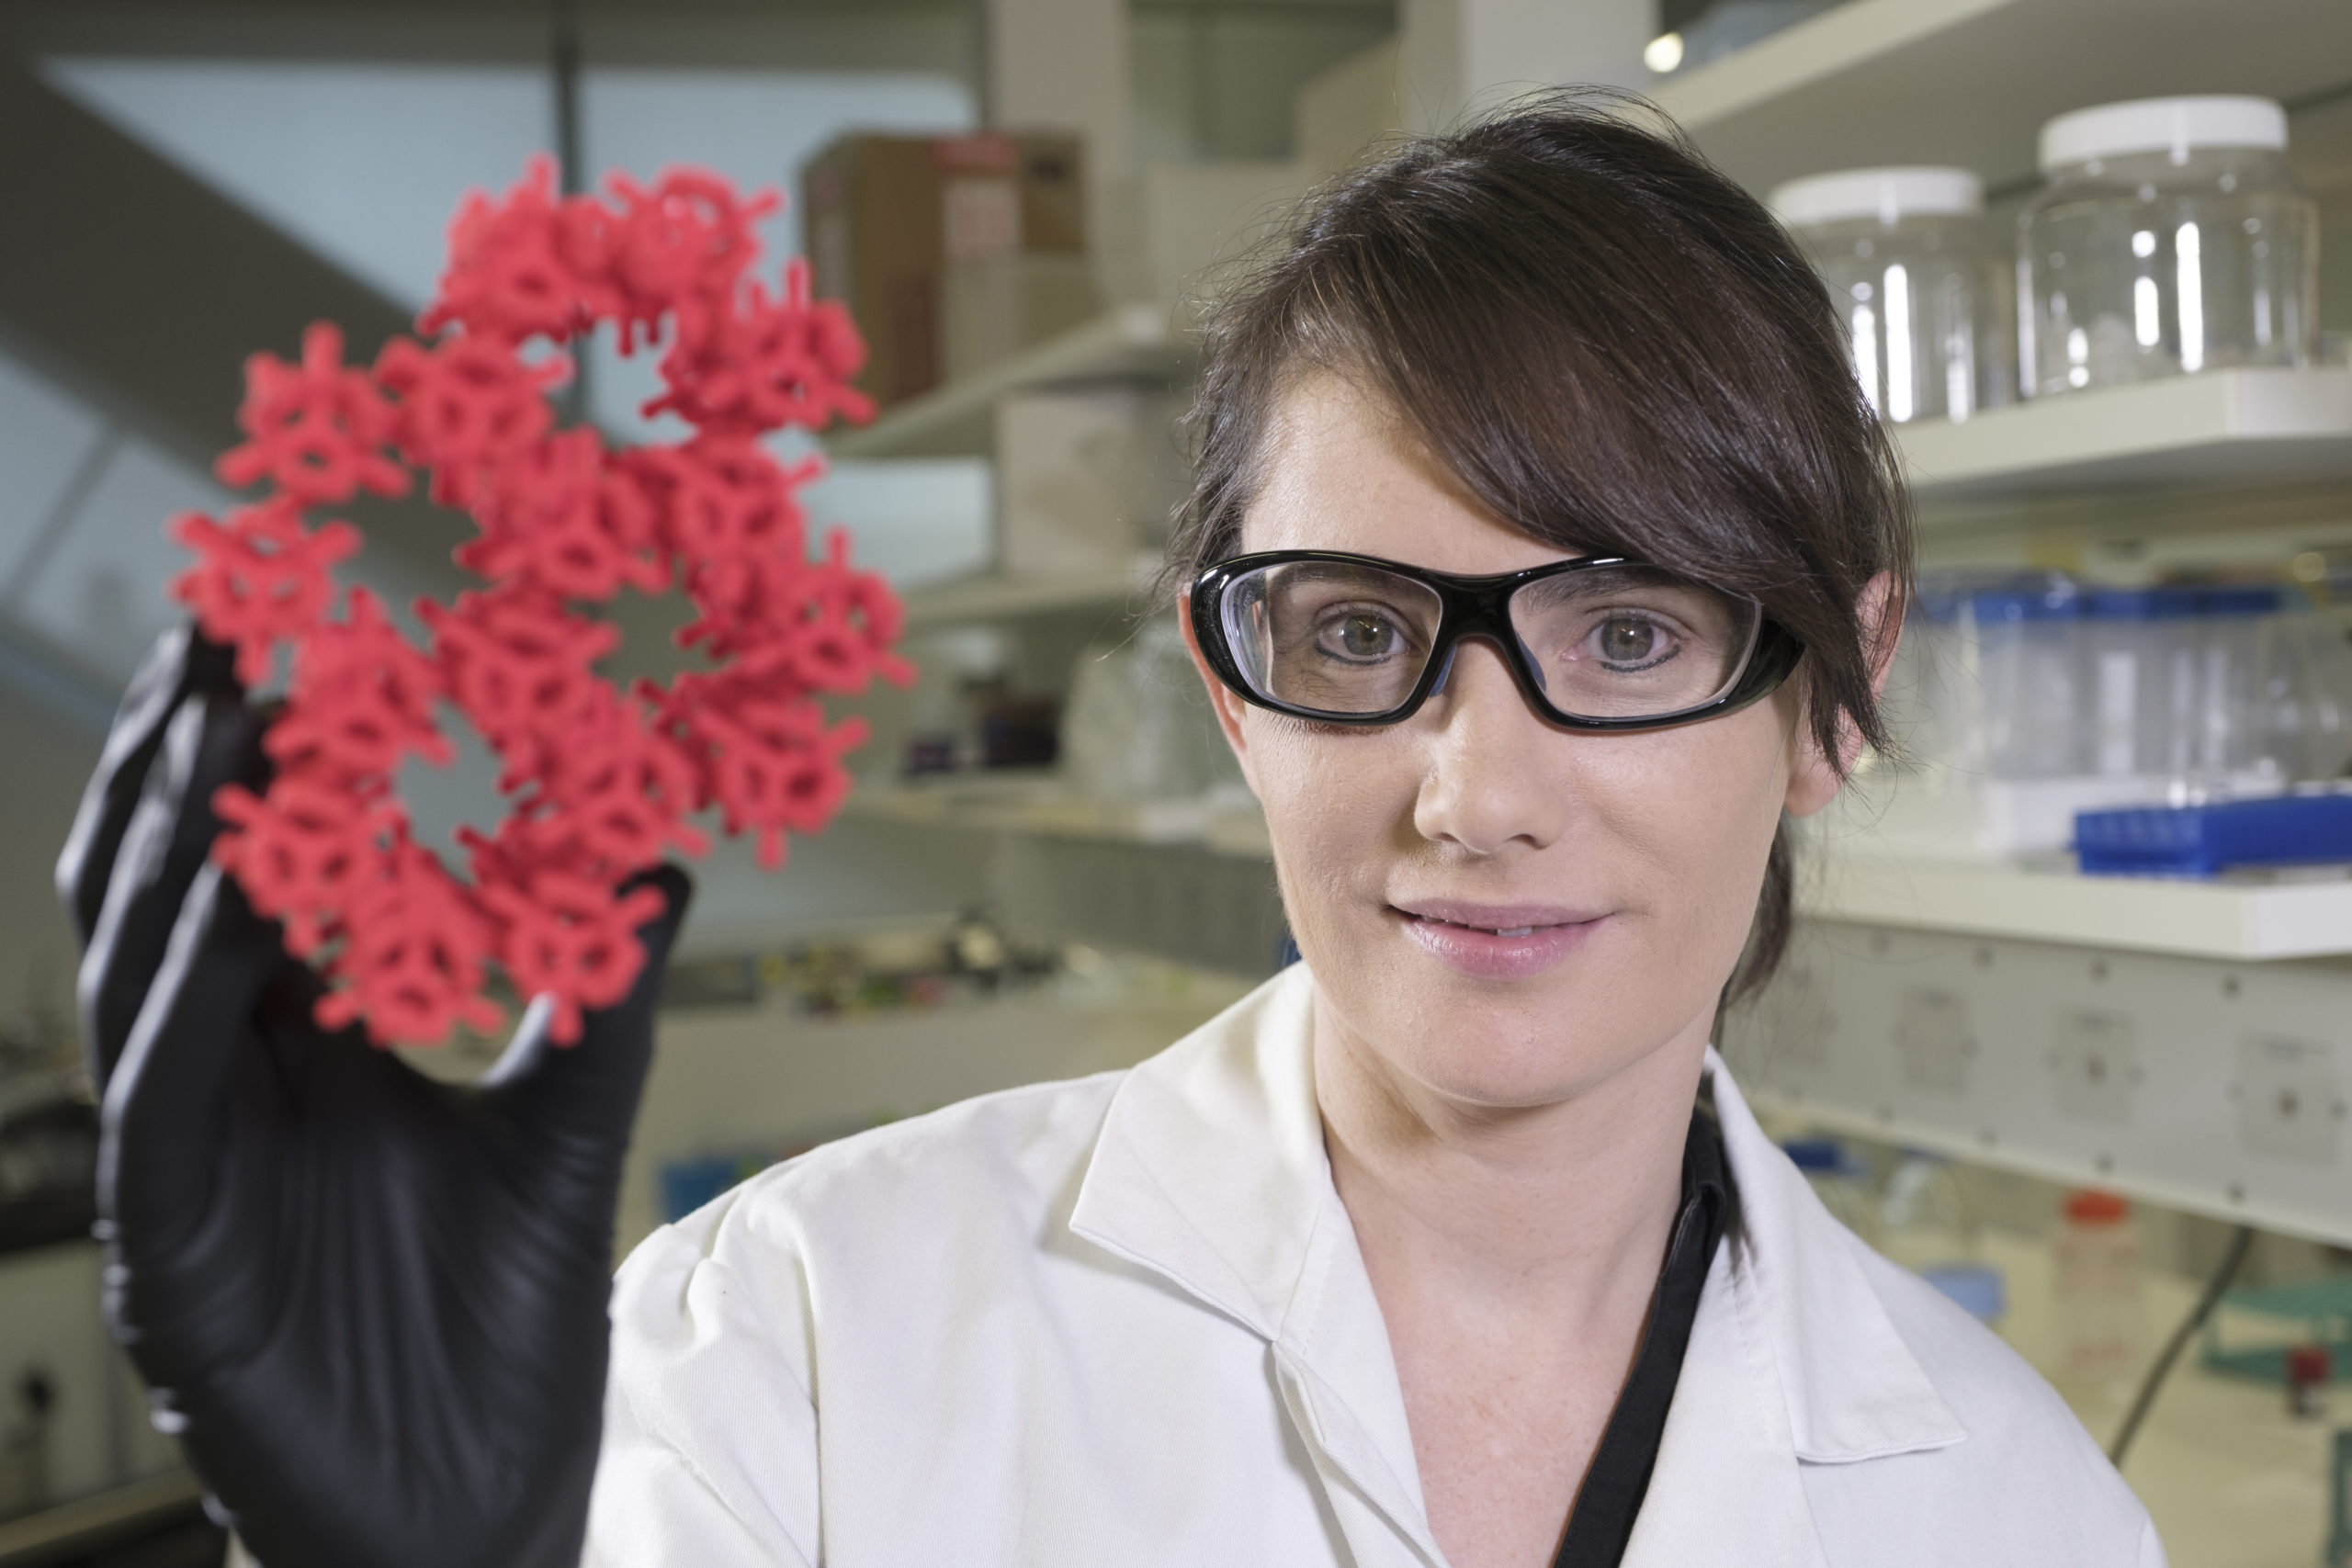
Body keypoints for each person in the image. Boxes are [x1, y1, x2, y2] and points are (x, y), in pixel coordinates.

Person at [62, 94, 2159, 1568]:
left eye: (1625, 627)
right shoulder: (794, 1337)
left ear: (1830, 690)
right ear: (1227, 685)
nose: (1473, 788)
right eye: (1352, 629)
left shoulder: (2020, 1510)